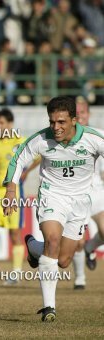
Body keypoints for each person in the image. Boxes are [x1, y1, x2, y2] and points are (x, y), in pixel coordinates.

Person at [3, 96, 104, 322]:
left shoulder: (92, 139)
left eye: (61, 122)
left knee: (63, 260)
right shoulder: (41, 139)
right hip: (52, 196)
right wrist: (11, 190)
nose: (55, 128)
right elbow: (19, 158)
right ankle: (49, 308)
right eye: (52, 122)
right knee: (53, 240)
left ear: (74, 120)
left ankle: (33, 247)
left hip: (80, 201)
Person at [0, 108, 39, 285]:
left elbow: (38, 156)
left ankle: (16, 273)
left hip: (15, 191)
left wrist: (26, 172)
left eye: (2, 123)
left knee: (15, 235)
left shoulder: (20, 141)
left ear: (10, 124)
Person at [74, 99, 104, 277]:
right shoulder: (67, 138)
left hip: (97, 192)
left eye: (82, 112)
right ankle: (80, 278)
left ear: (88, 114)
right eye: (76, 114)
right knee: (76, 240)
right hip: (77, 195)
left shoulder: (99, 136)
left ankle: (90, 248)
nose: (79, 116)